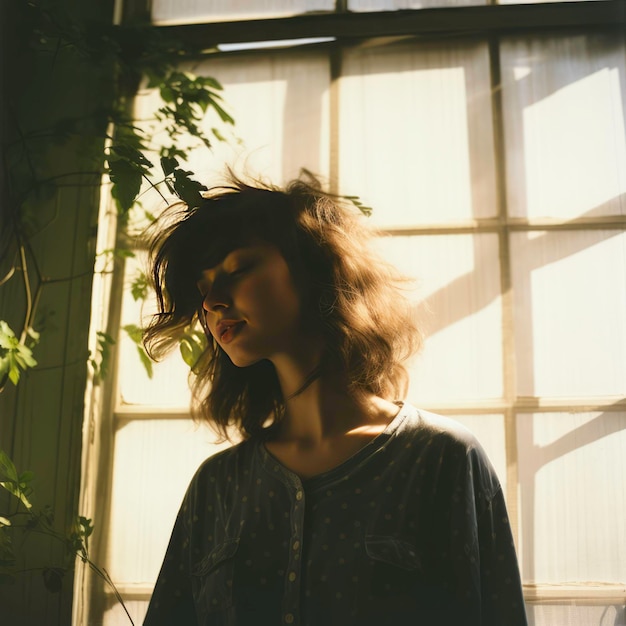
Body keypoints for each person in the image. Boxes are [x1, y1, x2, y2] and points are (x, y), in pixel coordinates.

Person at [141, 172, 528, 626]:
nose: (213, 301)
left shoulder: (441, 458)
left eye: (239, 268)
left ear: (314, 268)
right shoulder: (217, 486)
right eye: (204, 288)